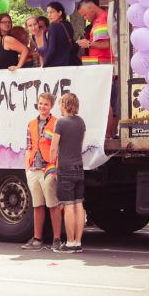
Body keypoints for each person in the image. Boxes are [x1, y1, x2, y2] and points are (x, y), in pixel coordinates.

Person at [22, 93, 62, 252]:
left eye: (45, 104)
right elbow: (29, 147)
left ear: (51, 106)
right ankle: (37, 239)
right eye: (40, 103)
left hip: (48, 169)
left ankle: (57, 239)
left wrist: (56, 169)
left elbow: (58, 148)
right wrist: (27, 169)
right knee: (37, 205)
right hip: (33, 169)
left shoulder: (56, 123)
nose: (42, 107)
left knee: (53, 205)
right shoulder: (31, 124)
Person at [50, 93, 86, 253]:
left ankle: (70, 242)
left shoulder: (61, 123)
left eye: (60, 104)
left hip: (65, 169)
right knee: (79, 204)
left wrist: (52, 161)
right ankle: (78, 242)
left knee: (69, 205)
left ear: (65, 105)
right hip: (79, 167)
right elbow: (80, 143)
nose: (59, 107)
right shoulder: (81, 122)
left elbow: (53, 147)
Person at [76, 0, 117, 137]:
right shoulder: (101, 18)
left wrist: (88, 44)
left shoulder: (101, 20)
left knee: (105, 101)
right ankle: (108, 134)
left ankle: (107, 135)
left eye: (84, 14)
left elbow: (106, 44)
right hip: (104, 65)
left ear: (91, 8)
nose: (85, 18)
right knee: (107, 101)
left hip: (103, 65)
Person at [42, 2, 76, 67]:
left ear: (59, 13)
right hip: (71, 62)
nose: (49, 15)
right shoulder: (68, 24)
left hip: (57, 65)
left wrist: (45, 64)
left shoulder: (53, 27)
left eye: (51, 12)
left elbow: (52, 49)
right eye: (48, 13)